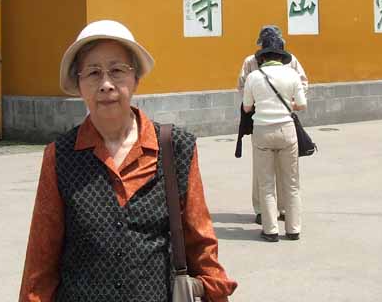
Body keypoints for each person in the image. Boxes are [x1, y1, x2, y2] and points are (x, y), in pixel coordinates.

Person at [20, 20, 237, 301]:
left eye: (117, 70)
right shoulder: (59, 156)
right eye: (93, 73)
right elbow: (40, 263)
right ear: (79, 84)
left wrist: (215, 291)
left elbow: (201, 244)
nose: (106, 85)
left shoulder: (175, 148)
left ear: (135, 79)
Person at [237, 25, 308, 225]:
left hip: (271, 118)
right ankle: (263, 210)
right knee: (269, 171)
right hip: (264, 119)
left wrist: (285, 102)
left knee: (276, 169)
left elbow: (303, 82)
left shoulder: (291, 60)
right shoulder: (250, 62)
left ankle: (283, 209)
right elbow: (242, 87)